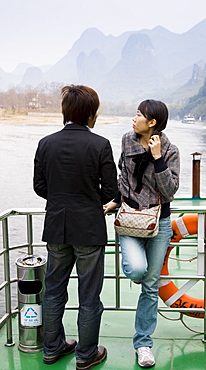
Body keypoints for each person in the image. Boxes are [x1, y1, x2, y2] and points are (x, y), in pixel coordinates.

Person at [33, 85, 118, 370]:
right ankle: (86, 354)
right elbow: (110, 192)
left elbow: (39, 186)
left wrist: (61, 199)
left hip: (56, 225)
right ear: (90, 114)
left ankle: (52, 348)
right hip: (90, 230)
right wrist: (87, 198)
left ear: (65, 111)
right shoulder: (100, 144)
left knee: (54, 290)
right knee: (89, 295)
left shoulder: (46, 143)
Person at [104, 99, 180, 368]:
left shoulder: (170, 150)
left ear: (152, 123)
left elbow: (170, 191)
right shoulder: (126, 140)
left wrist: (157, 158)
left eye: (138, 115)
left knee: (150, 287)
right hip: (129, 219)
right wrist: (115, 200)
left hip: (159, 222)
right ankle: (140, 272)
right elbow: (122, 175)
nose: (133, 118)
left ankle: (143, 344)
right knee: (137, 270)